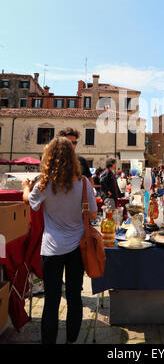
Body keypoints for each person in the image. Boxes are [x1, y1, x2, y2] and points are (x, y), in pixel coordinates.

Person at [22, 136, 97, 344]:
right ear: (72, 157)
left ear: (49, 157)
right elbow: (92, 214)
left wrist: (26, 187)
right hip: (77, 248)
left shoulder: (45, 183)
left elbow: (30, 201)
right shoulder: (83, 183)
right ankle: (72, 339)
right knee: (74, 297)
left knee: (51, 301)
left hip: (52, 248)